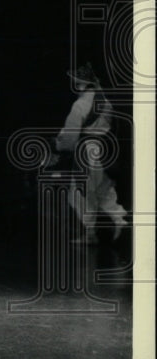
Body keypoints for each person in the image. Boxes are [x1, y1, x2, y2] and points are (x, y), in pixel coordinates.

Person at [53, 62, 128, 243]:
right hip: (104, 150)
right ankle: (119, 220)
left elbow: (70, 137)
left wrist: (58, 145)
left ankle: (91, 233)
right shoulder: (105, 102)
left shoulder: (80, 105)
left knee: (80, 192)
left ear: (80, 84)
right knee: (103, 189)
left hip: (86, 152)